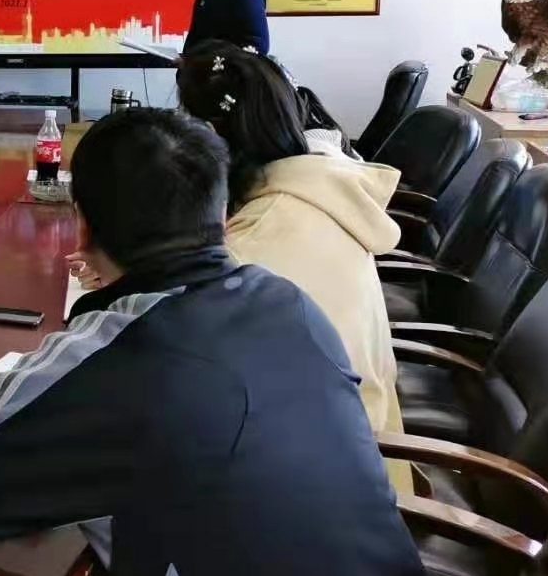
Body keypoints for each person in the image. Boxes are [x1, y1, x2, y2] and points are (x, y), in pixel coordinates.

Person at [0, 108, 458, 576]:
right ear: (225, 218)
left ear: (82, 228)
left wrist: (16, 383)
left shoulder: (127, 362)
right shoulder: (289, 303)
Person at [174, 39, 408, 490]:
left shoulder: (260, 238)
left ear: (209, 136)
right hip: (358, 448)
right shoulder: (317, 187)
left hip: (315, 485)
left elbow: (180, 358)